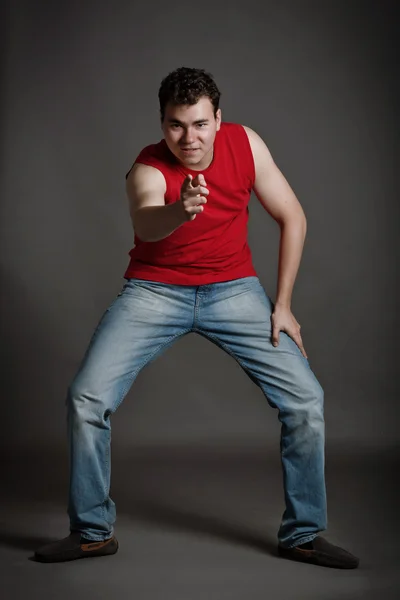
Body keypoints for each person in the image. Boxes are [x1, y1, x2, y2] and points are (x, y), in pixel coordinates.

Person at [35, 67, 359, 568]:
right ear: (163, 124)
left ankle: (303, 533)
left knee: (306, 401)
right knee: (86, 399)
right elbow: (145, 223)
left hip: (234, 292)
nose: (190, 138)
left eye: (201, 124)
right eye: (176, 125)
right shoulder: (147, 167)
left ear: (218, 119)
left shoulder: (246, 144)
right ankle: (92, 532)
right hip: (154, 292)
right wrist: (180, 210)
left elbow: (293, 216)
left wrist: (284, 304)